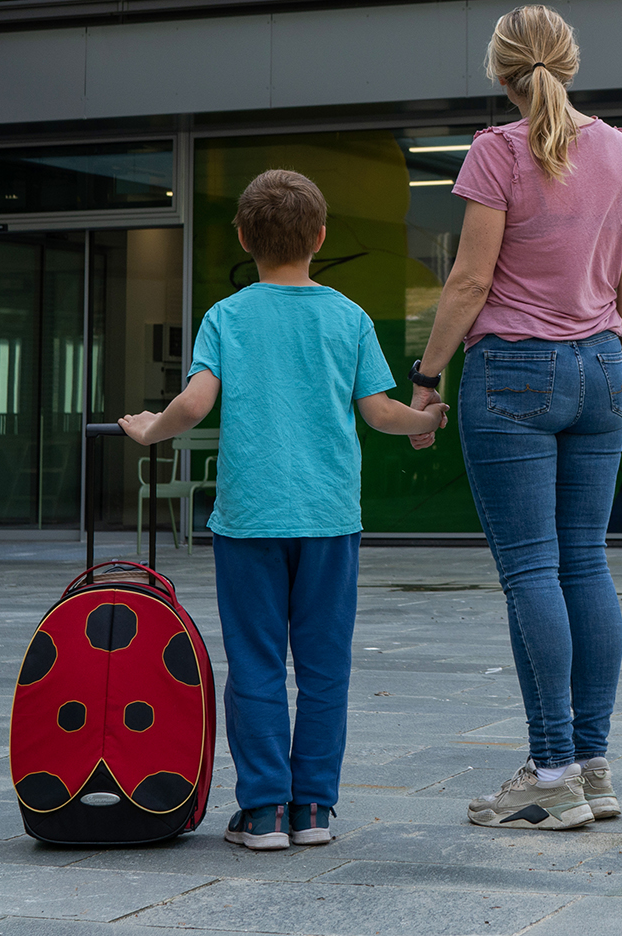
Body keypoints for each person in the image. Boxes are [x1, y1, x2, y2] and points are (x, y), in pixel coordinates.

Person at [119, 168, 447, 851]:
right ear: (320, 237)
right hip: (330, 519)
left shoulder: (226, 316)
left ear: (244, 235)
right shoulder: (348, 316)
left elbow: (195, 402)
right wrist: (426, 415)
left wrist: (151, 428)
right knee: (325, 667)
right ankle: (314, 810)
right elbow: (380, 412)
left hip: (249, 522)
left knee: (258, 662)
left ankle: (264, 809)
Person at [409, 5, 622, 831]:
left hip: (514, 371)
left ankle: (551, 772)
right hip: (596, 368)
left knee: (531, 570)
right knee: (586, 561)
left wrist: (427, 374)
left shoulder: (497, 150)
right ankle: (592, 764)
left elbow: (470, 282)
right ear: (570, 63)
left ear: (500, 71)